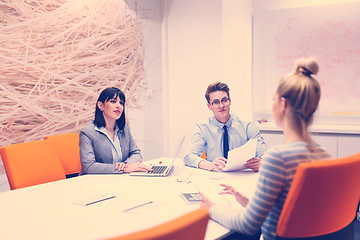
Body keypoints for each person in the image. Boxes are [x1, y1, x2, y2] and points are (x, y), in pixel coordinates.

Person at [199, 58, 331, 240]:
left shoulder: (277, 159)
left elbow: (247, 225)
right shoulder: (325, 155)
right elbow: (293, 210)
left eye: (273, 99)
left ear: (283, 105)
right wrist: (250, 203)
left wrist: (212, 208)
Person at [183, 82, 267, 171]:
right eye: (216, 102)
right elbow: (188, 156)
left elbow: (264, 154)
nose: (221, 106)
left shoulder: (247, 126)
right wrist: (208, 164)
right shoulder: (203, 128)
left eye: (224, 100)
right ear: (209, 106)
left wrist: (263, 162)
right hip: (215, 175)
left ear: (229, 101)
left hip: (242, 174)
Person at [79, 87, 152, 174]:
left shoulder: (124, 128)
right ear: (101, 105)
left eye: (121, 103)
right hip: (95, 182)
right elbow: (89, 167)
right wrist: (121, 169)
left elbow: (136, 153)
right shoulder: (87, 132)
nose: (118, 106)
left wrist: (126, 164)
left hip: (120, 179)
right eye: (113, 101)